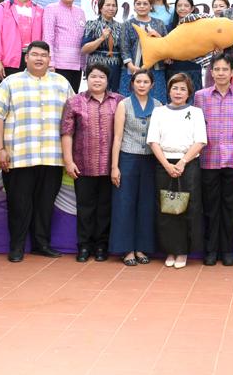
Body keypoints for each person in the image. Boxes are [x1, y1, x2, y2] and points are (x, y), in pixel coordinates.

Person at [0, 41, 73, 262]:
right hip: (19, 156)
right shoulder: (10, 82)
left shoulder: (61, 83)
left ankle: (41, 244)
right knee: (18, 204)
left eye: (44, 55)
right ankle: (16, 246)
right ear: (26, 58)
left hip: (52, 156)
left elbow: (72, 117)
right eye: (35, 54)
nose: (39, 58)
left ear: (49, 59)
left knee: (45, 204)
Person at [61, 63, 123, 263]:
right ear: (86, 79)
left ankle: (101, 246)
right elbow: (67, 133)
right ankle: (84, 246)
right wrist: (68, 161)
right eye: (93, 76)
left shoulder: (118, 101)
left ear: (107, 80)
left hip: (109, 166)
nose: (97, 80)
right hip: (83, 165)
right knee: (85, 208)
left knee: (105, 208)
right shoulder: (74, 102)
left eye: (101, 77)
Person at [147, 73, 207, 269]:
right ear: (168, 91)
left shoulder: (196, 112)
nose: (178, 92)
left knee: (187, 207)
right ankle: (170, 250)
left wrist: (182, 162)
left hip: (188, 164)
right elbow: (153, 141)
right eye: (175, 88)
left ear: (189, 92)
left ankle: (183, 251)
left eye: (183, 89)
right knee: (167, 207)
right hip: (164, 163)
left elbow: (200, 141)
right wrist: (166, 165)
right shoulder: (159, 112)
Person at [193, 54, 233, 266]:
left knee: (230, 207)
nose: (221, 73)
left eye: (225, 69)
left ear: (232, 72)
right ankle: (210, 251)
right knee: (210, 208)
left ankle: (227, 251)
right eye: (217, 69)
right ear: (211, 72)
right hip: (208, 159)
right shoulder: (200, 96)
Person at [109, 69, 161, 266]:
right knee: (124, 203)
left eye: (145, 82)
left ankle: (142, 248)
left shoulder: (158, 106)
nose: (141, 85)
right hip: (128, 158)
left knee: (147, 204)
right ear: (132, 83)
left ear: (152, 85)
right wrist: (115, 166)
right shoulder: (124, 104)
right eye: (138, 81)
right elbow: (117, 137)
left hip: (150, 160)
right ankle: (127, 249)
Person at [119, 0, 168, 103]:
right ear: (134, 6)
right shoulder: (127, 24)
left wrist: (157, 36)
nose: (142, 6)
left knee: (157, 103)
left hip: (156, 70)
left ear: (151, 6)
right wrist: (131, 67)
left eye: (145, 4)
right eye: (138, 3)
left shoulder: (159, 24)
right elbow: (124, 47)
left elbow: (166, 44)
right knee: (129, 104)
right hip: (132, 70)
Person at [43, 0, 86, 92]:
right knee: (58, 98)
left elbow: (83, 39)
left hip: (77, 65)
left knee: (73, 98)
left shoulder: (80, 12)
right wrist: (50, 63)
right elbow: (48, 37)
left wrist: (84, 64)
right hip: (59, 64)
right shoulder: (51, 9)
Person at [81, 0, 124, 94]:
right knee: (96, 94)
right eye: (108, 5)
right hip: (96, 66)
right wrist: (101, 38)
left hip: (116, 68)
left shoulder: (121, 27)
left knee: (114, 96)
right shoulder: (92, 24)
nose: (111, 8)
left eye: (114, 5)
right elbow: (84, 49)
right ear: (100, 7)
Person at [166, 0, 204, 91]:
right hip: (173, 69)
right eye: (179, 6)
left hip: (193, 69)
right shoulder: (169, 28)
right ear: (175, 8)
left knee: (193, 97)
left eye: (186, 6)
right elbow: (163, 47)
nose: (182, 8)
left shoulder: (200, 27)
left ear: (192, 8)